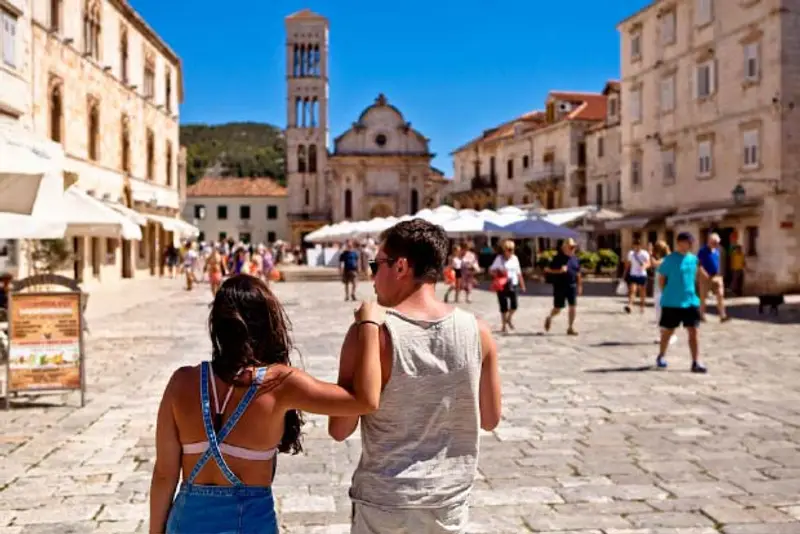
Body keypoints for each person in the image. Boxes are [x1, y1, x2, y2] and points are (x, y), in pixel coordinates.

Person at [149, 275, 386, 533]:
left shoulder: (181, 382)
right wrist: (369, 324)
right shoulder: (279, 383)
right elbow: (365, 400)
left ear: (217, 325)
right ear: (268, 323)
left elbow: (164, 474)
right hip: (248, 522)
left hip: (186, 521)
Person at [328, 219, 502, 534]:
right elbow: (490, 419)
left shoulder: (371, 333)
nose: (371, 274)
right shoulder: (479, 332)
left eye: (376, 263)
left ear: (401, 267)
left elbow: (340, 428)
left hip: (385, 502)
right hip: (447, 502)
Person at [655, 232, 708, 373]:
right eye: (688, 242)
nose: (690, 244)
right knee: (668, 331)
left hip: (690, 301)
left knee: (694, 331)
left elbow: (699, 277)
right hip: (672, 302)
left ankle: (696, 362)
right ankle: (661, 355)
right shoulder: (669, 260)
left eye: (691, 242)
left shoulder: (693, 259)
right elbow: (661, 279)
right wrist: (667, 293)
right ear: (679, 243)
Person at [543, 238, 582, 336]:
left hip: (572, 285)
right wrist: (559, 271)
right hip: (560, 286)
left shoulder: (575, 258)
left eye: (574, 247)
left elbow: (578, 273)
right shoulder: (557, 258)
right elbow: (547, 270)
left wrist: (580, 285)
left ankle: (570, 327)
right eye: (571, 247)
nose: (573, 249)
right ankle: (550, 317)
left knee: (573, 307)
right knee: (558, 308)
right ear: (565, 248)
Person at [489, 240, 525, 333]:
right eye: (509, 249)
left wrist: (522, 284)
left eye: (512, 249)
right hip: (502, 284)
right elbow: (491, 270)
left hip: (513, 283)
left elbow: (519, 272)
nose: (511, 251)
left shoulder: (515, 258)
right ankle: (504, 325)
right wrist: (497, 273)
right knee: (503, 305)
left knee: (515, 305)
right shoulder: (499, 259)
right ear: (504, 250)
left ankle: (509, 318)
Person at [697, 233, 729, 322]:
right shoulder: (702, 251)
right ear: (709, 241)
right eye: (714, 242)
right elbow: (699, 265)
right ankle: (701, 315)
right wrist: (704, 274)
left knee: (720, 295)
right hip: (705, 277)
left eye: (717, 242)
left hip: (717, 276)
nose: (716, 244)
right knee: (703, 297)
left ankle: (723, 316)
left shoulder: (717, 251)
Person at [651, 241, 677, 347]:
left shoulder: (668, 259)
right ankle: (663, 335)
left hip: (667, 290)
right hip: (658, 290)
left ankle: (672, 336)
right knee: (659, 315)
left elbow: (655, 264)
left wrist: (650, 254)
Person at [623, 239, 651, 314]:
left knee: (642, 292)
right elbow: (628, 264)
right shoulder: (631, 253)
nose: (637, 246)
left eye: (638, 245)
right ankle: (630, 305)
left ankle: (642, 306)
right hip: (633, 274)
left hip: (642, 275)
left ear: (641, 245)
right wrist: (625, 273)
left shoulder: (645, 253)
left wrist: (644, 266)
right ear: (633, 245)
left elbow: (648, 263)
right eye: (635, 245)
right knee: (632, 290)